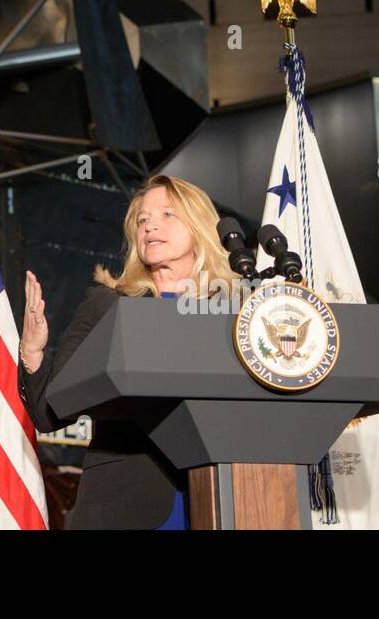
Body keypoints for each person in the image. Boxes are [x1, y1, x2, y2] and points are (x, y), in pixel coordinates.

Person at [18, 174, 238, 530]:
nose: (150, 226)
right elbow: (49, 413)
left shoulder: (232, 311)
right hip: (128, 501)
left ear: (199, 225)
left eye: (167, 214)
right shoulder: (107, 305)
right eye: (142, 220)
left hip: (223, 496)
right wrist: (32, 351)